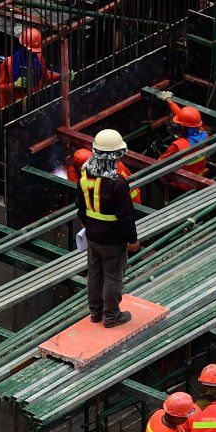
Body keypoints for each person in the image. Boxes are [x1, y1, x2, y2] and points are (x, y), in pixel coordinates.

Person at [78, 129, 138, 328]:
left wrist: (90, 228)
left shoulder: (85, 175)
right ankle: (111, 316)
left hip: (93, 237)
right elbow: (126, 216)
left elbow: (80, 208)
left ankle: (95, 313)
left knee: (94, 274)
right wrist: (133, 240)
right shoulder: (118, 183)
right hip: (113, 239)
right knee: (113, 277)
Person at [0, 27, 56, 110]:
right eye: (31, 51)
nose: (33, 54)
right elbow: (0, 88)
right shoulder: (8, 63)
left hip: (33, 105)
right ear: (23, 47)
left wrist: (62, 75)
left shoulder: (39, 58)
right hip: (12, 108)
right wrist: (15, 85)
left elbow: (46, 77)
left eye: (35, 51)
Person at [158, 101, 210, 189]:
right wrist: (169, 101)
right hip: (198, 180)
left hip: (181, 186)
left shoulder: (178, 145)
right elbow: (189, 120)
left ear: (183, 127)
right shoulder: (204, 135)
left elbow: (159, 163)